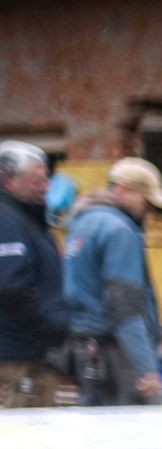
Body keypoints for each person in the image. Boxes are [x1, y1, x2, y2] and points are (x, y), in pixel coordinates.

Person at [62, 158, 162, 407]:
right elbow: (125, 306)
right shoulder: (120, 231)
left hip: (86, 349)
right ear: (122, 189)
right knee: (144, 433)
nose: (148, 211)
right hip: (118, 354)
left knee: (95, 432)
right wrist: (146, 367)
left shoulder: (80, 224)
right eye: (146, 202)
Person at [0, 140, 71, 408]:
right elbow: (9, 285)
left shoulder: (29, 220)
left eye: (47, 180)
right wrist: (51, 321)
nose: (46, 187)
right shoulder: (7, 220)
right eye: (37, 181)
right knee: (25, 441)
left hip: (31, 353)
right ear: (9, 180)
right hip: (18, 359)